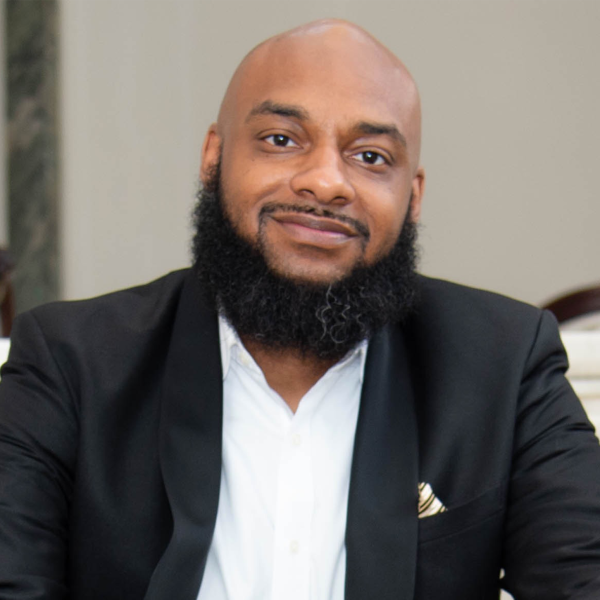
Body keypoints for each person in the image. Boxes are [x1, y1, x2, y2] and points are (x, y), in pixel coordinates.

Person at [1, 18, 600, 600]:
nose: (325, 182)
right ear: (214, 158)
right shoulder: (69, 363)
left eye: (370, 157)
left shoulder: (503, 364)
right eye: (282, 140)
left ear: (411, 198)